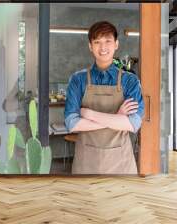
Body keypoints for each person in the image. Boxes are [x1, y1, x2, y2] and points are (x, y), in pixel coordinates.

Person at [64, 21, 144, 174]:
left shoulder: (130, 81)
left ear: (116, 44)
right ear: (90, 46)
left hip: (121, 163)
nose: (103, 47)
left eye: (108, 41)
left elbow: (132, 124)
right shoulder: (78, 80)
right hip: (86, 163)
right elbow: (72, 124)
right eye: (97, 42)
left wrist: (89, 114)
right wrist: (117, 118)